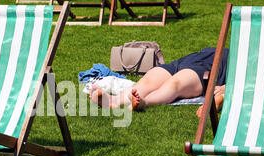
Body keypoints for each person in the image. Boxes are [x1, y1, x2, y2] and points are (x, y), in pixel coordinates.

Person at [89, 47, 228, 112]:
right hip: (184, 61)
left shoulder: (245, 66)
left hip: (206, 70)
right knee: (147, 80)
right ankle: (113, 101)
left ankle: (144, 103)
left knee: (175, 84)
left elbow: (246, 85)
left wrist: (225, 89)